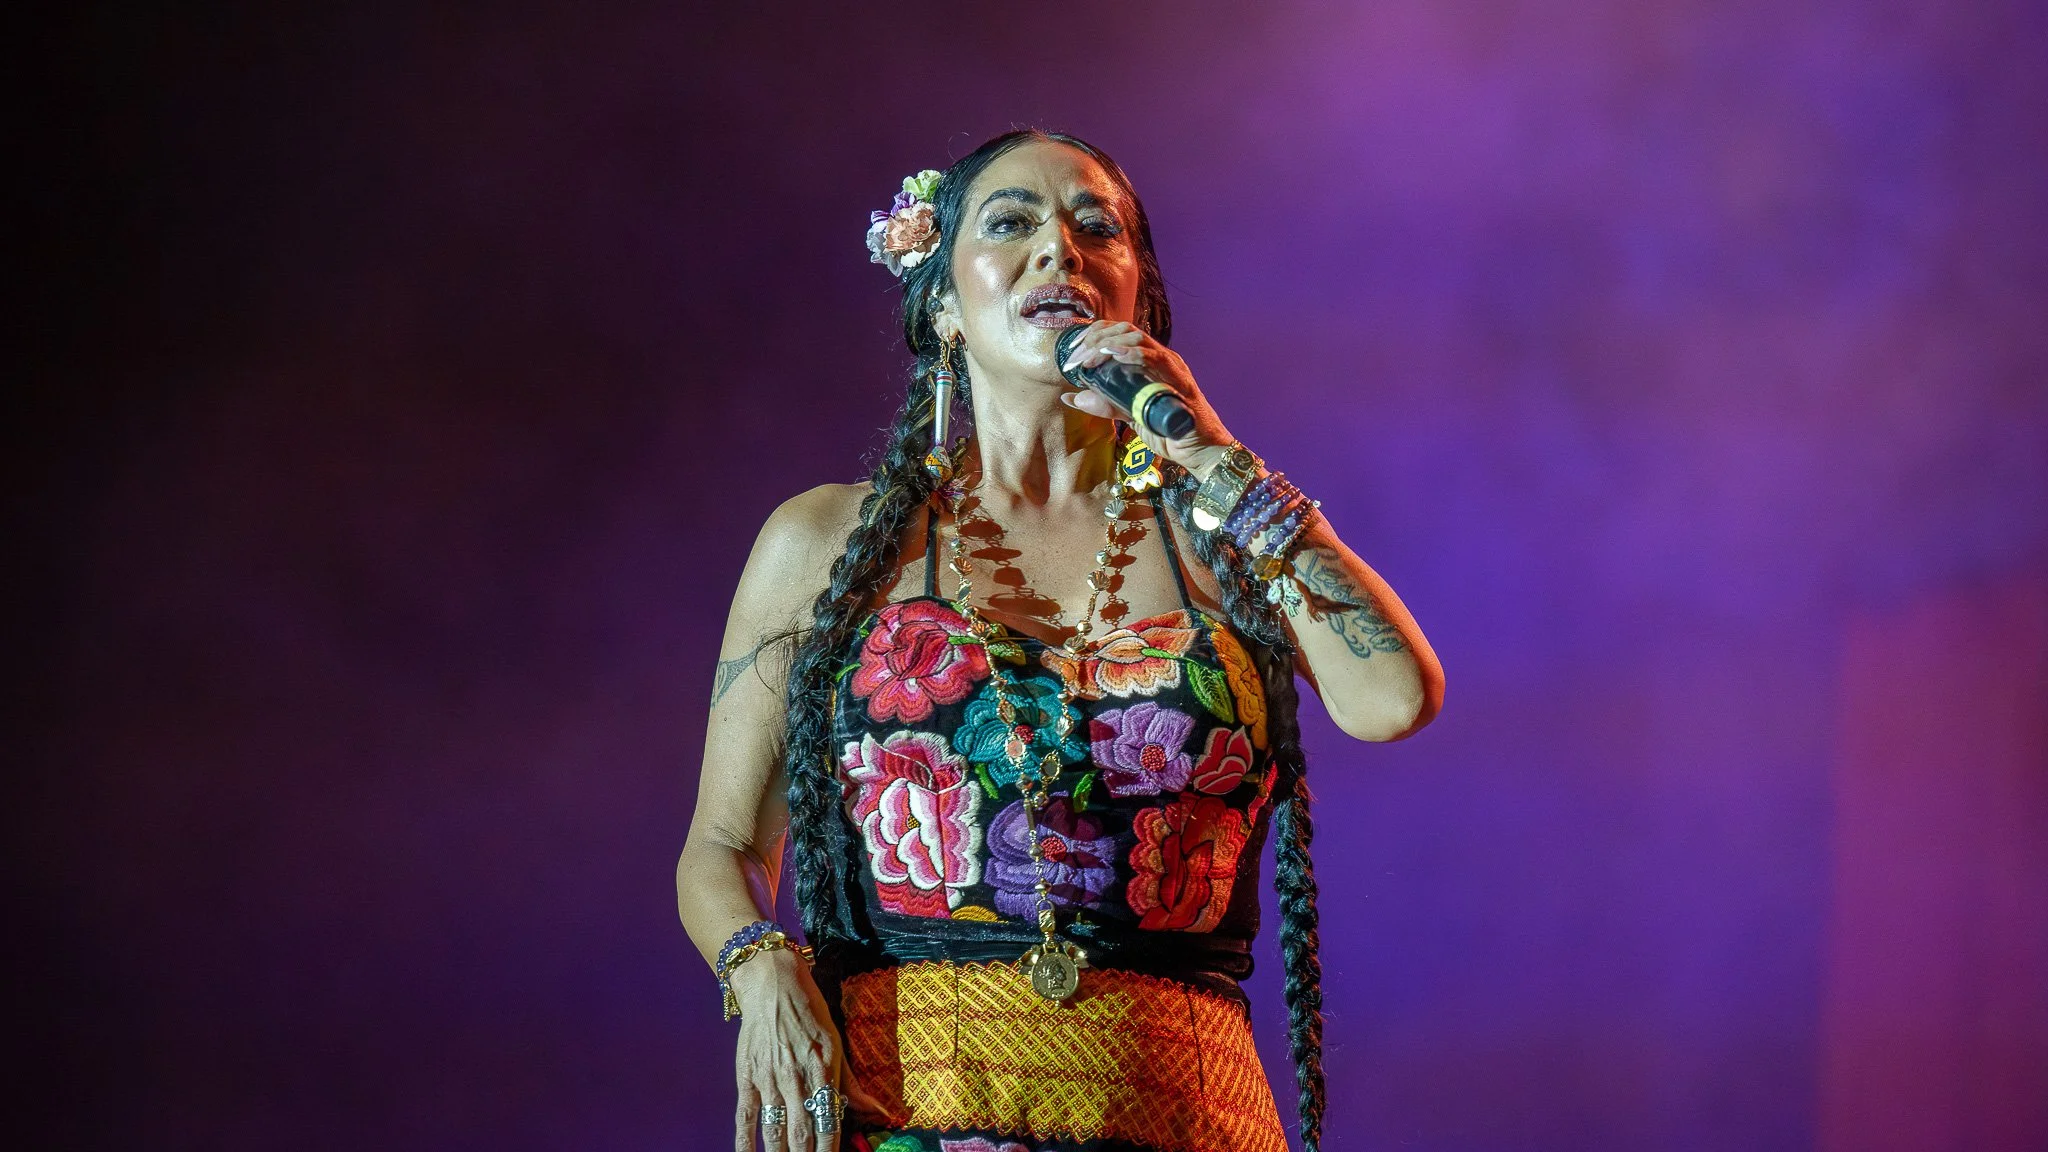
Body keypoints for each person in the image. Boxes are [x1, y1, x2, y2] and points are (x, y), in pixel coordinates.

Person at [677, 128, 1444, 1152]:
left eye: (1096, 229)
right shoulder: (825, 545)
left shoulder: (1214, 534)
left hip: (1181, 1114)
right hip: (905, 1110)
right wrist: (758, 965)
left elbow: (1390, 698)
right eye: (1010, 224)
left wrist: (1204, 450)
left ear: (1137, 302)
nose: (1059, 250)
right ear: (943, 305)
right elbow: (722, 846)